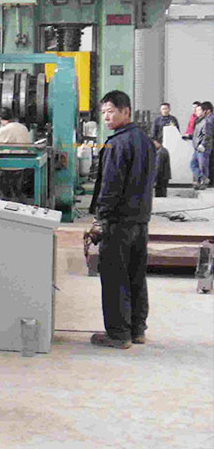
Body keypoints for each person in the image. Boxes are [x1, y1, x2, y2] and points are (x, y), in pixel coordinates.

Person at [87, 90, 154, 349]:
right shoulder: (146, 142)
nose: (106, 117)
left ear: (126, 111)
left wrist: (100, 219)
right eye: (103, 112)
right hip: (140, 219)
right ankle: (137, 330)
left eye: (111, 111)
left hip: (118, 221)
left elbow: (110, 186)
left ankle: (118, 334)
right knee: (136, 275)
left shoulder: (116, 143)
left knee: (115, 277)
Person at [0, 107, 32, 203]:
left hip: (7, 167)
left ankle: (1, 211)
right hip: (21, 166)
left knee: (1, 196)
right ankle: (19, 210)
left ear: (0, 118)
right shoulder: (23, 128)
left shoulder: (5, 129)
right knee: (17, 192)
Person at [192, 102, 212, 190]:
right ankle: (201, 179)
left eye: (199, 110)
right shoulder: (198, 121)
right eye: (196, 110)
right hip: (196, 148)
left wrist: (203, 145)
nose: (197, 112)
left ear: (204, 111)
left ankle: (203, 183)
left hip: (202, 148)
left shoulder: (206, 122)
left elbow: (207, 135)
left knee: (203, 166)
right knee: (193, 164)